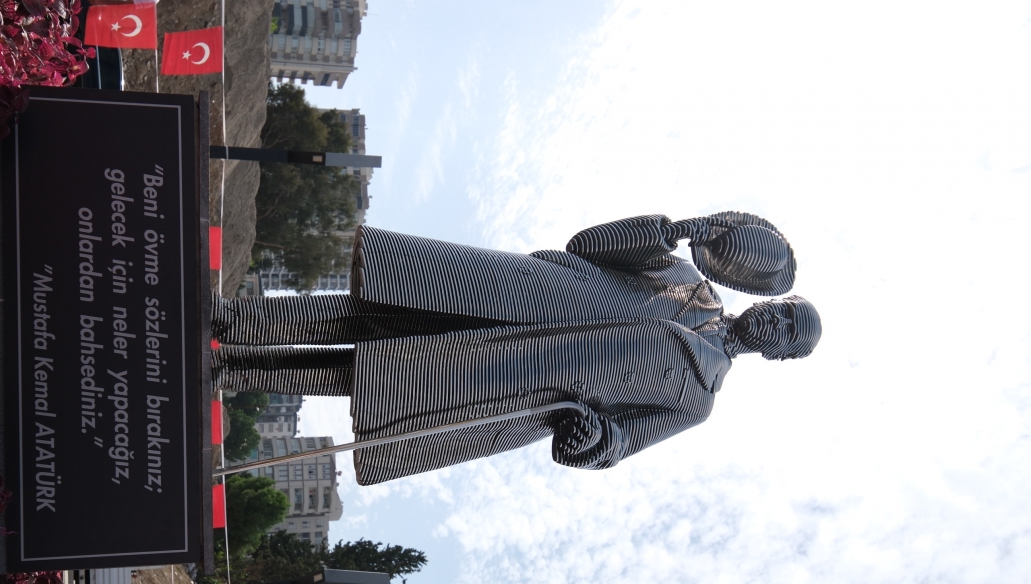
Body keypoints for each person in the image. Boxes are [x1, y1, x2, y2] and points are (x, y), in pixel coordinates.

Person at [213, 212, 822, 485]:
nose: (778, 320)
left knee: (371, 374)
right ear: (770, 297)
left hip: (519, 381)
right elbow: (587, 246)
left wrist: (588, 431)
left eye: (789, 330)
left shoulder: (697, 400)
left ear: (781, 355)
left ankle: (232, 368)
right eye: (787, 309)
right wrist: (672, 230)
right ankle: (236, 321)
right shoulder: (685, 276)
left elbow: (611, 448)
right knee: (372, 308)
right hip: (521, 294)